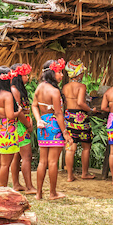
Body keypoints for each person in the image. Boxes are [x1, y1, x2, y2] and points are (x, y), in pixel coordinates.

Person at [32, 58, 73, 200]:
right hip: (54, 127)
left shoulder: (39, 88)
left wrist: (38, 120)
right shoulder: (54, 92)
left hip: (42, 126)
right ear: (51, 73)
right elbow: (58, 114)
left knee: (42, 161)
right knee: (53, 162)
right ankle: (52, 193)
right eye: (59, 72)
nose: (62, 75)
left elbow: (34, 106)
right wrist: (65, 133)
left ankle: (38, 193)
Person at [62, 59, 97, 182]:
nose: (83, 74)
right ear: (78, 73)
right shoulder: (81, 86)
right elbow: (80, 103)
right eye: (82, 72)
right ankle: (84, 173)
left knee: (70, 147)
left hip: (69, 116)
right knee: (86, 147)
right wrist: (91, 110)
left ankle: (70, 176)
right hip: (81, 117)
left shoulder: (65, 87)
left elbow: (66, 103)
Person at [0, 66, 21, 187]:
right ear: (6, 80)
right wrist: (20, 111)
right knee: (5, 165)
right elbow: (10, 115)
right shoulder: (7, 95)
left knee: (0, 164)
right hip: (7, 133)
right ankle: (3, 191)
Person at [9, 63, 37, 194]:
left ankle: (16, 184)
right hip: (19, 126)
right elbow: (18, 112)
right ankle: (29, 187)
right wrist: (28, 124)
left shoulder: (16, 89)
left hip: (19, 126)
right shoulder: (15, 90)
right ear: (18, 77)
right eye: (25, 75)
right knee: (27, 156)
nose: (28, 78)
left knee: (17, 156)